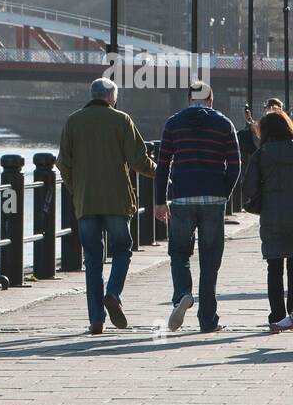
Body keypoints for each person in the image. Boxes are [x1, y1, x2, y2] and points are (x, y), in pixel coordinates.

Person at [56, 76, 155, 335]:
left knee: (92, 259)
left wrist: (76, 189)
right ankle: (113, 293)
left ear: (93, 95)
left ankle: (96, 321)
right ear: (111, 97)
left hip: (86, 202)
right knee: (122, 248)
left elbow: (63, 163)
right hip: (117, 201)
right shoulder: (121, 120)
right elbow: (138, 160)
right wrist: (164, 172)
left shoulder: (73, 121)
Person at [155, 80, 240, 334]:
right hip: (213, 198)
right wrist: (223, 191)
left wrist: (160, 200)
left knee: (179, 252)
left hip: (182, 197)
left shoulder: (173, 123)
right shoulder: (225, 124)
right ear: (211, 101)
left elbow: (163, 165)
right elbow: (235, 165)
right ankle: (208, 319)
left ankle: (183, 293)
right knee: (210, 258)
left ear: (189, 100)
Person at [241, 109, 293, 332]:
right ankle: (291, 314)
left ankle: (276, 314)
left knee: (274, 267)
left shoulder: (261, 154)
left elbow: (249, 187)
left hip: (272, 215)